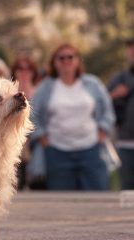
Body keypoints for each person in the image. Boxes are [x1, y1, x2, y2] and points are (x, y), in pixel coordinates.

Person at [31, 43, 115, 191]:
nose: (66, 61)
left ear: (77, 60)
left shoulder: (92, 83)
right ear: (54, 62)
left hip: (91, 149)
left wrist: (102, 131)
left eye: (70, 57)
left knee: (97, 198)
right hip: (57, 151)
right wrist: (42, 138)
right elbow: (33, 115)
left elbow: (108, 110)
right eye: (61, 58)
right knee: (62, 202)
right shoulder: (45, 87)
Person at [11, 56, 42, 190]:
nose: (24, 72)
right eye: (20, 68)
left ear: (33, 72)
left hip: (38, 141)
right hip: (14, 142)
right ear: (14, 71)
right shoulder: (9, 93)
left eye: (28, 68)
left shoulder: (41, 92)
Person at [107, 37, 134, 190]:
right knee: (129, 195)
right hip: (125, 144)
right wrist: (114, 95)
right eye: (131, 47)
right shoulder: (119, 78)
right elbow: (100, 103)